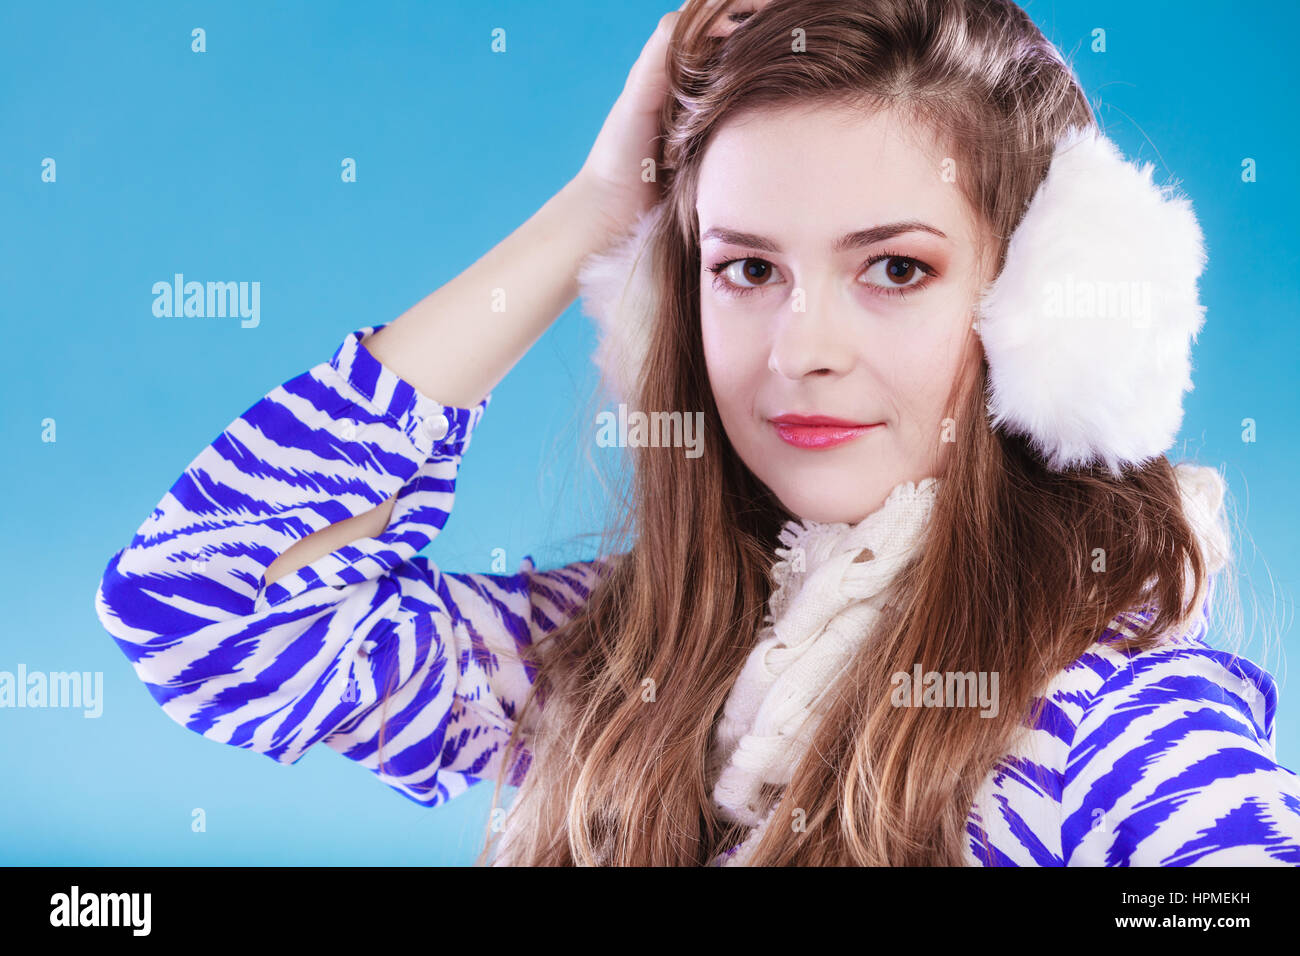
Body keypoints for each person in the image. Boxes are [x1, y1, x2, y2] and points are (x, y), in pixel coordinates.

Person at [94, 0, 1300, 866]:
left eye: (893, 266)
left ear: (1045, 310)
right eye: (744, 267)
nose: (798, 348)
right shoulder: (618, 660)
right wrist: (598, 207)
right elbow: (202, 606)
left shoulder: (1125, 735)